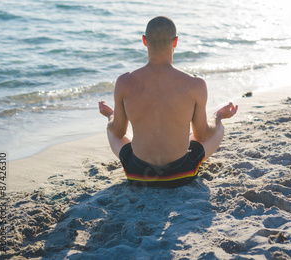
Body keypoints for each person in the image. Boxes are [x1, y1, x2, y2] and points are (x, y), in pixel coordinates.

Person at [99, 16, 238, 188]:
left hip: (138, 174)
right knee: (217, 129)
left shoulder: (124, 82)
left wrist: (109, 114)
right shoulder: (195, 84)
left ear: (144, 41)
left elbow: (118, 132)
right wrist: (219, 116)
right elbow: (202, 135)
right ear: (176, 42)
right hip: (180, 173)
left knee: (111, 127)